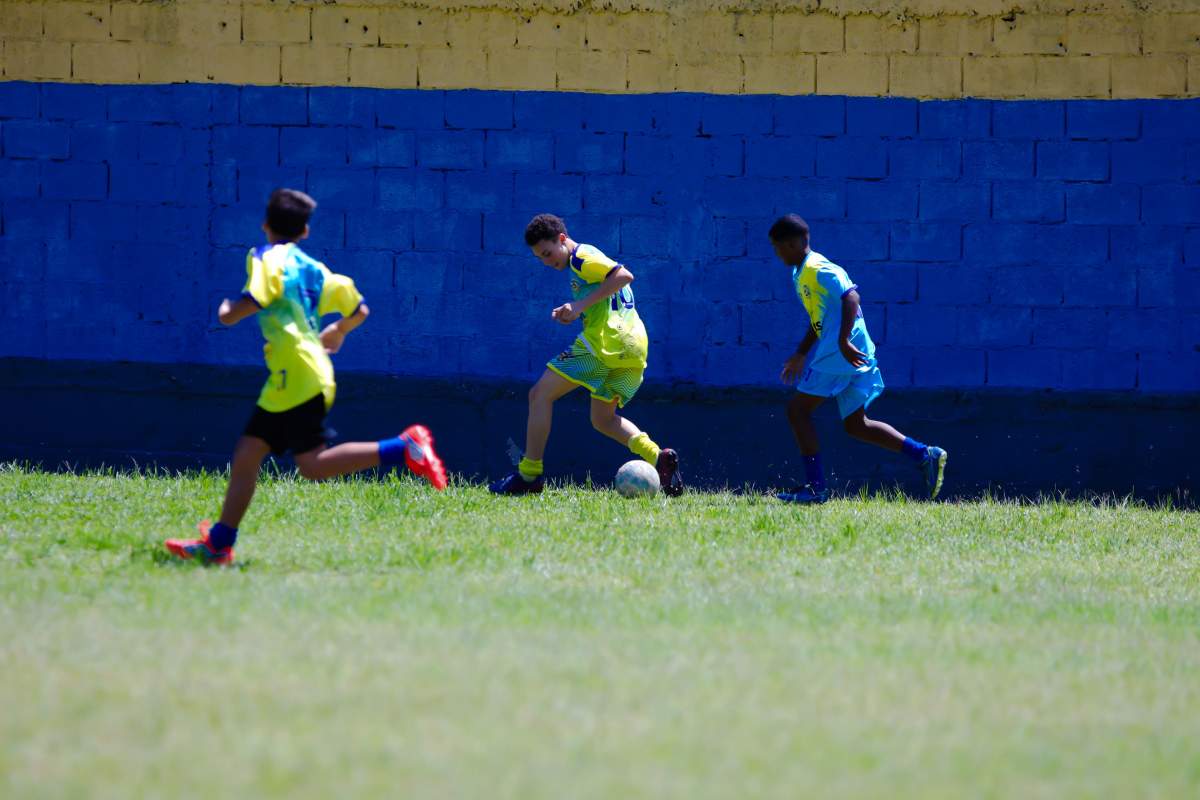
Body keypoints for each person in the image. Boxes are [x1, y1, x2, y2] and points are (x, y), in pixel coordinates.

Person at [165, 189, 446, 565]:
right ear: (306, 231)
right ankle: (218, 544)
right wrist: (339, 331)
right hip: (309, 373)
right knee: (273, 459)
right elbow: (359, 308)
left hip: (294, 374)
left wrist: (228, 312)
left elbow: (258, 298)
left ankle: (405, 446)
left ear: (266, 225)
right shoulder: (314, 269)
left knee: (276, 460)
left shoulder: (266, 257)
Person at [489, 213, 682, 496]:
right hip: (633, 347)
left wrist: (579, 306)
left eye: (548, 252)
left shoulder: (581, 257)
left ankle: (529, 476)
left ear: (563, 240)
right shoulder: (583, 262)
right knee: (603, 419)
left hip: (606, 344)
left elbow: (624, 275)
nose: (547, 261)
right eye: (540, 258)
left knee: (539, 395)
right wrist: (578, 311)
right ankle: (658, 458)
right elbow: (609, 291)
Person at [769, 214, 946, 503]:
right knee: (856, 425)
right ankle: (925, 454)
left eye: (776, 248)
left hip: (841, 353)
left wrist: (842, 340)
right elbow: (821, 318)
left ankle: (815, 490)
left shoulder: (816, 268)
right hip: (852, 351)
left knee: (798, 411)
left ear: (790, 244)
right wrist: (801, 352)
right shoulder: (799, 272)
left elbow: (851, 297)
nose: (776, 254)